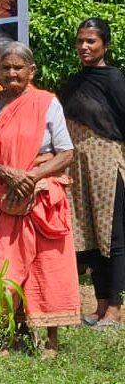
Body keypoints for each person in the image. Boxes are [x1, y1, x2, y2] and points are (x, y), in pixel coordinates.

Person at [0, 42, 79, 356]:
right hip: (3, 193)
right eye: (6, 68)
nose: (12, 73)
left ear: (32, 71)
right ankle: (11, 336)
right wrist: (6, 173)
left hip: (42, 195)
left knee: (47, 265)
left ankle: (51, 341)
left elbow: (67, 152)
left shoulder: (47, 102)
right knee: (5, 267)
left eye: (19, 67)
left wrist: (30, 177)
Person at [59, 18, 125, 328]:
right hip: (78, 164)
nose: (84, 47)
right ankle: (99, 306)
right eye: (80, 41)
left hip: (107, 163)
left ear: (105, 45)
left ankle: (115, 307)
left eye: (91, 41)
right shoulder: (74, 82)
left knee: (113, 236)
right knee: (89, 235)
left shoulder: (114, 80)